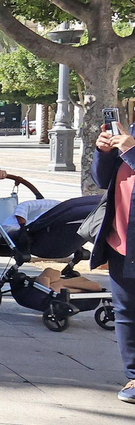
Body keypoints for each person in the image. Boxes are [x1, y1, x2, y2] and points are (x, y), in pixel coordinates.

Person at [90, 118, 135, 403]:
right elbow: (102, 179)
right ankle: (133, 376)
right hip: (122, 238)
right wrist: (104, 151)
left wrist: (132, 151)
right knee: (126, 311)